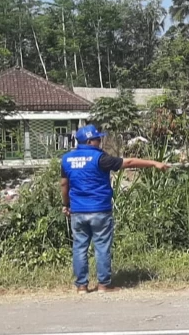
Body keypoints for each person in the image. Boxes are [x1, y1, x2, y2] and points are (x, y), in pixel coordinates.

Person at [61, 125, 169, 294]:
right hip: (100, 210)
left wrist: (66, 204)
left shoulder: (67, 159)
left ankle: (81, 286)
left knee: (79, 247)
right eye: (98, 139)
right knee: (102, 246)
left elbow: (64, 184)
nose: (100, 141)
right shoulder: (100, 158)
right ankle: (104, 285)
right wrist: (154, 163)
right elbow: (129, 162)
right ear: (90, 141)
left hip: (78, 211)